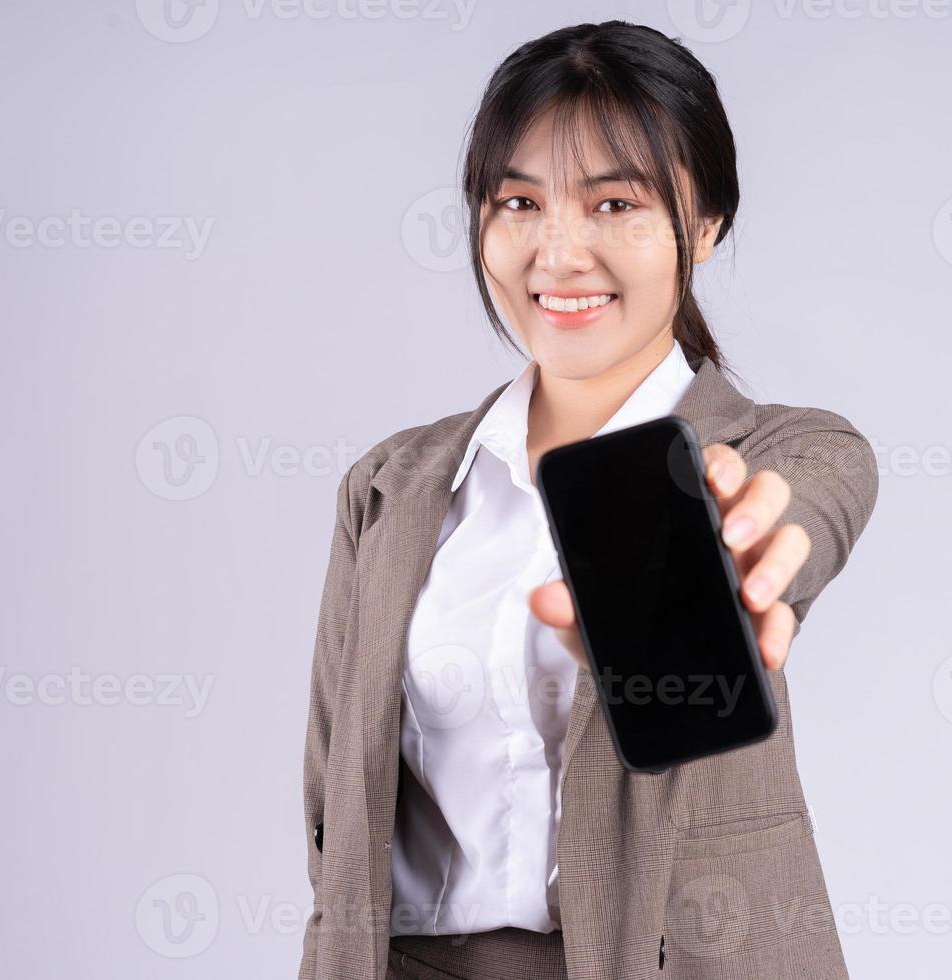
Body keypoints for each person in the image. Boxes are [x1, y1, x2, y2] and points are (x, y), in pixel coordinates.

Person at [299, 21, 879, 980]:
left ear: (704, 225)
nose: (559, 252)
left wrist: (736, 558)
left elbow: (799, 515)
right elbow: (337, 803)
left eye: (615, 203)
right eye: (518, 201)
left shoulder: (782, 451)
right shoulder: (390, 486)